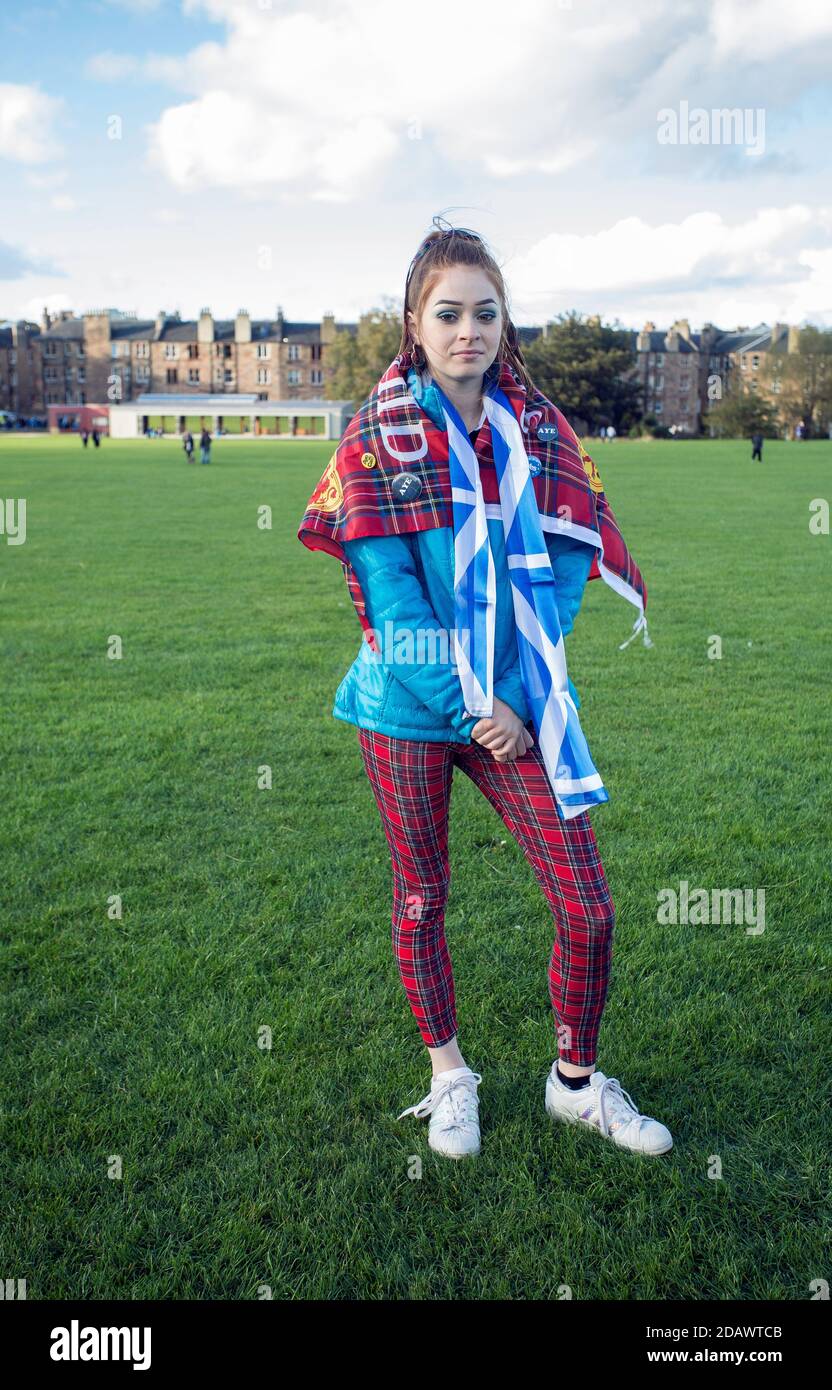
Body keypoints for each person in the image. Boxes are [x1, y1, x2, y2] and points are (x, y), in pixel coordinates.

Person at [297, 220, 669, 1162]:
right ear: (414, 324)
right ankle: (450, 1077)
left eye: (486, 312)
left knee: (588, 905)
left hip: (516, 708)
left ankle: (575, 1084)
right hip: (407, 709)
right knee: (423, 894)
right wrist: (475, 705)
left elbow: (571, 573)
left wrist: (514, 699)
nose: (469, 330)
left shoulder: (539, 431)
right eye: (448, 313)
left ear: (507, 323)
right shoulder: (374, 437)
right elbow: (392, 602)